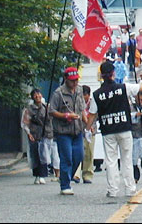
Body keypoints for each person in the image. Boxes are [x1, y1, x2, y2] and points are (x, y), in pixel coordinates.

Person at [85, 62, 142, 198]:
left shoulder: (96, 94)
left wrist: (87, 130)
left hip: (108, 130)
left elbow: (92, 114)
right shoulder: (123, 88)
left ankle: (112, 190)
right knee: (126, 159)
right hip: (124, 128)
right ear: (113, 73)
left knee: (111, 161)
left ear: (101, 75)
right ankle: (130, 188)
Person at [48, 67, 86, 195]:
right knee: (67, 158)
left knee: (79, 155)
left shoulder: (79, 90)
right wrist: (65, 116)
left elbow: (82, 108)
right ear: (65, 79)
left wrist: (86, 120)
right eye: (72, 81)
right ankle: (65, 185)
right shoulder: (58, 93)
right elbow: (52, 111)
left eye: (76, 80)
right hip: (63, 131)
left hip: (78, 129)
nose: (74, 83)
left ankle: (66, 177)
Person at [21, 88, 54, 185]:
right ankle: (36, 175)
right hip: (34, 134)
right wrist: (29, 133)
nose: (37, 96)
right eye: (35, 95)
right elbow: (25, 122)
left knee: (44, 154)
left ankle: (43, 175)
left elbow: (51, 118)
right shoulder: (29, 109)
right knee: (35, 155)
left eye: (38, 94)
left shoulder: (47, 107)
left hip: (45, 133)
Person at [81, 85, 96, 183]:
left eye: (85, 95)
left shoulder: (93, 103)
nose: (83, 97)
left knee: (89, 153)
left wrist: (91, 126)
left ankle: (88, 174)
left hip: (91, 130)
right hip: (80, 129)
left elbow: (96, 115)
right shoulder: (78, 102)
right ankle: (76, 174)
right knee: (79, 152)